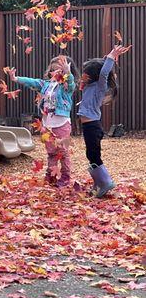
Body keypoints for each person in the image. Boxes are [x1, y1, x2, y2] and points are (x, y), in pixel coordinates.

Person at [9, 55, 79, 187]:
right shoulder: (46, 84)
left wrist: (68, 73)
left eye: (59, 70)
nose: (55, 73)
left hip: (61, 123)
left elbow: (71, 83)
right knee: (51, 152)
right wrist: (15, 78)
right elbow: (33, 82)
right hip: (47, 123)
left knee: (63, 152)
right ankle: (51, 174)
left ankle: (65, 176)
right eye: (53, 70)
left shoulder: (65, 86)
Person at [78, 44, 131, 198]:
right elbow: (99, 68)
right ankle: (98, 182)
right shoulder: (89, 86)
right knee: (90, 154)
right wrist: (109, 57)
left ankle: (106, 182)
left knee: (94, 156)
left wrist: (110, 57)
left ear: (92, 77)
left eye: (85, 74)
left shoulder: (99, 87)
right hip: (89, 126)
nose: (82, 75)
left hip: (93, 126)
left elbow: (103, 73)